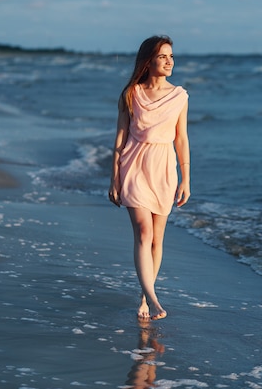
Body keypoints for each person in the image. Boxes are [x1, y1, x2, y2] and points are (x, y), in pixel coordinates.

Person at [108, 35, 190, 321]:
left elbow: (182, 139)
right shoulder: (131, 94)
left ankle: (144, 296)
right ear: (148, 60)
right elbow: (120, 138)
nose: (169, 61)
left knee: (157, 239)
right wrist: (113, 178)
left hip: (164, 168)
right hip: (134, 165)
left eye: (171, 56)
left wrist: (185, 178)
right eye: (163, 56)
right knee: (143, 232)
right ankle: (155, 299)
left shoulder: (179, 96)